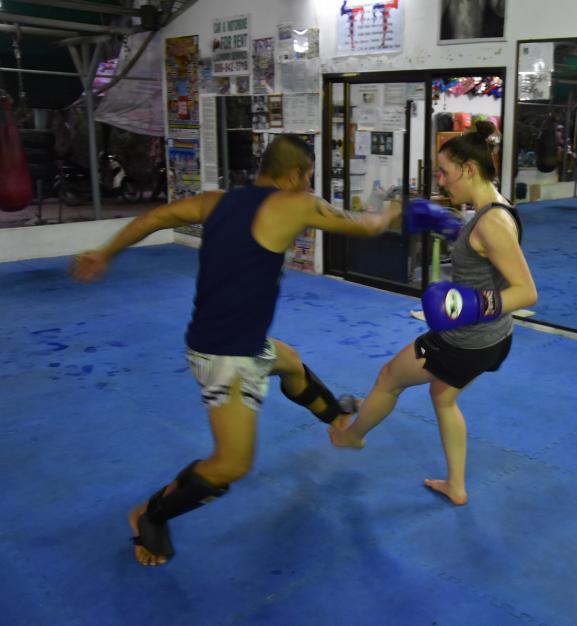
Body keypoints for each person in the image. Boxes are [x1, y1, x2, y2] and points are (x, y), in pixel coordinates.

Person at [70, 135, 399, 566]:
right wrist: (396, 209)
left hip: (234, 339)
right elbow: (368, 226)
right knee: (232, 465)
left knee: (290, 363)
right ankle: (150, 515)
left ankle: (336, 418)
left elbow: (154, 217)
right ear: (298, 174)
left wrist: (104, 252)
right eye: (308, 177)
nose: (308, 184)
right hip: (226, 354)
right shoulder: (296, 203)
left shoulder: (216, 201)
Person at [329, 121, 537, 506]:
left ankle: (351, 436)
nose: (440, 181)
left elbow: (527, 292)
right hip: (493, 338)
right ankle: (456, 486)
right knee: (443, 398)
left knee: (389, 377)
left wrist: (469, 305)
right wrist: (453, 229)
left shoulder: (492, 222)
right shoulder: (495, 206)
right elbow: (485, 254)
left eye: (444, 172)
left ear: (468, 169)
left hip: (463, 343)